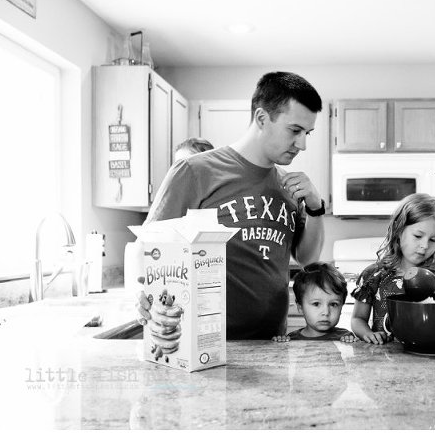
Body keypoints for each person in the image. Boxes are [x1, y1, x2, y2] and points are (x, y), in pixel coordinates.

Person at [136, 71, 325, 340]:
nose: (302, 144)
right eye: (295, 130)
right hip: (206, 345)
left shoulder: (290, 187)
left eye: (308, 133)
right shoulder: (194, 171)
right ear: (261, 118)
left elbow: (306, 258)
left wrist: (316, 207)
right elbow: (146, 245)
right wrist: (141, 294)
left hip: (272, 344)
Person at [350, 193, 435, 345]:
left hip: (424, 355)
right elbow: (358, 319)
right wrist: (368, 334)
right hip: (383, 358)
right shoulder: (374, 275)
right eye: (417, 236)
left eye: (433, 240)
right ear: (398, 230)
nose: (424, 246)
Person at [272, 262, 357, 342]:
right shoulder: (292, 339)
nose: (326, 312)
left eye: (333, 304)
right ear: (300, 307)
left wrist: (352, 343)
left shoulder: (345, 337)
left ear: (342, 306)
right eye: (316, 304)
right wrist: (279, 343)